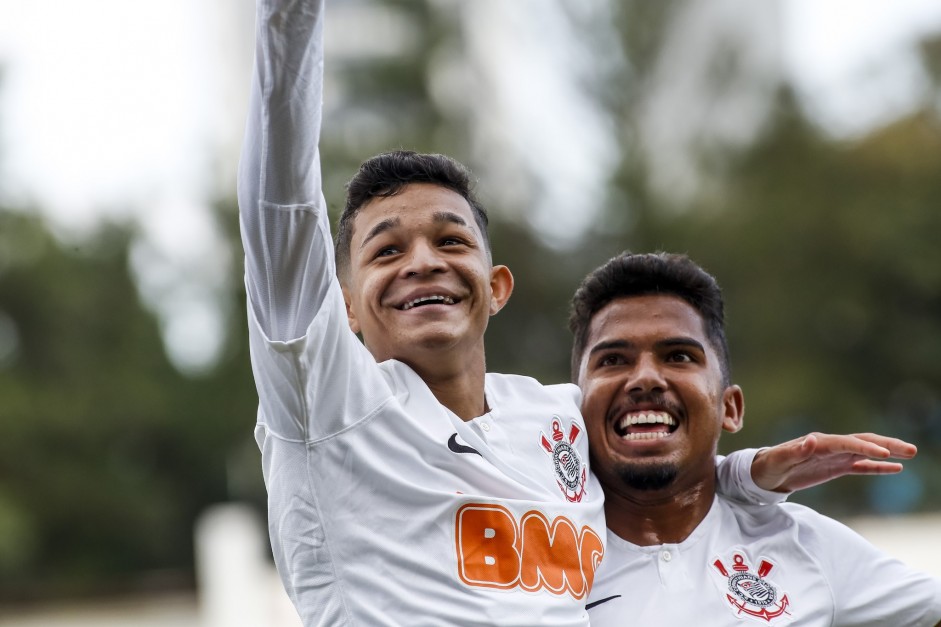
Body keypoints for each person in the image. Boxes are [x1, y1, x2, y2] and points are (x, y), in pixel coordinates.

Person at [238, 1, 918, 624]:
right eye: (387, 250)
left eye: (450, 240)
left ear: (495, 285)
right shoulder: (328, 404)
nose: (422, 260)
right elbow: (279, 205)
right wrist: (288, 19)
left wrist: (751, 473)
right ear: (345, 303)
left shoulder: (554, 417)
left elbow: (663, 444)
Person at [572, 252, 941, 626]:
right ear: (572, 406)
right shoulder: (532, 552)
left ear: (729, 408)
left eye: (678, 356)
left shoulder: (806, 546)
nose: (646, 378)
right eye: (613, 360)